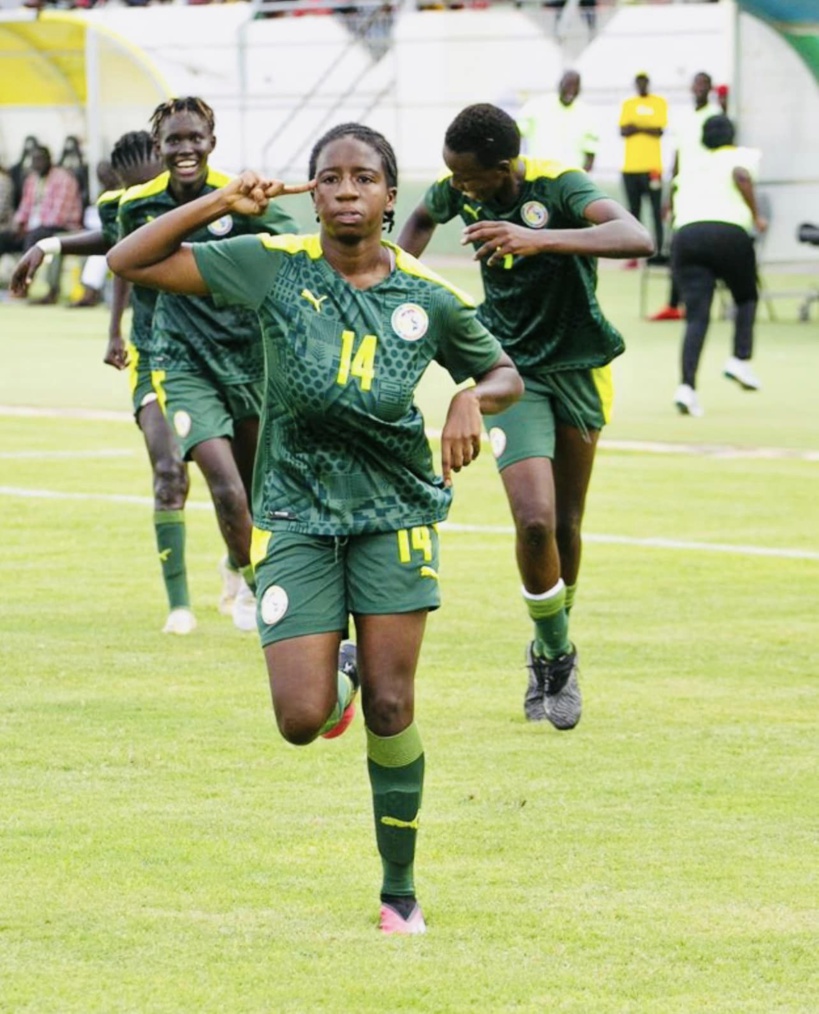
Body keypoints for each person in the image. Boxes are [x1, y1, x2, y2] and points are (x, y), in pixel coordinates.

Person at [107, 121, 523, 935]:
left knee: (393, 704)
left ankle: (398, 891)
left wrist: (473, 397)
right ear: (312, 193)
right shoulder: (273, 263)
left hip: (394, 511)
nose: (343, 191)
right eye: (328, 178)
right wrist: (221, 202)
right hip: (294, 514)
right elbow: (129, 261)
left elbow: (501, 368)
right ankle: (335, 667)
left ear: (388, 196)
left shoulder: (425, 295)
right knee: (300, 720)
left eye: (362, 178)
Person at [397, 103, 652, 728]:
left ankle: (547, 642)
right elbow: (422, 219)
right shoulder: (457, 187)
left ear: (504, 168)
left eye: (470, 180)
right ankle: (560, 658)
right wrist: (393, 280)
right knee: (534, 521)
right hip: (511, 372)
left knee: (566, 525)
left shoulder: (556, 185)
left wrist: (538, 238)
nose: (460, 189)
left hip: (579, 367)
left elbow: (638, 238)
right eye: (453, 177)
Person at [117, 96, 300, 631]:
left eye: (195, 138)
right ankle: (272, 606)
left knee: (255, 489)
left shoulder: (239, 195)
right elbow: (128, 271)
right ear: (159, 148)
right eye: (173, 140)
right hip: (182, 366)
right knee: (222, 483)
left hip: (247, 363)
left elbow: (295, 241)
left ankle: (238, 568)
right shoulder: (138, 207)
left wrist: (273, 206)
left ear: (211, 143)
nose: (185, 148)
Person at [10, 131, 199, 634]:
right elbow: (120, 262)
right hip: (153, 354)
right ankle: (179, 604)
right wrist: (114, 329)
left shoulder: (198, 203)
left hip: (213, 359)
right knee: (169, 471)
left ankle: (239, 571)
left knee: (235, 485)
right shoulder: (125, 208)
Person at [672, 114, 766, 418]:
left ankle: (687, 388)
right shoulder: (743, 155)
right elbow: (741, 175)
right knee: (746, 296)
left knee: (697, 317)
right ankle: (740, 358)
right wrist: (756, 215)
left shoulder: (693, 164)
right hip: (728, 233)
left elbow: (672, 197)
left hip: (686, 235)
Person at [650, 71, 722, 322]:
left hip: (708, 192)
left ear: (710, 88)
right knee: (677, 247)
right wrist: (669, 196)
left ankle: (698, 302)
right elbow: (677, 159)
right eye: (696, 83)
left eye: (704, 84)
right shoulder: (684, 119)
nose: (699, 88)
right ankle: (673, 304)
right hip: (685, 191)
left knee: (705, 248)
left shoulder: (715, 117)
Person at [0, 144, 83, 304]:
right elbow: (25, 208)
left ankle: (22, 288)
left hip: (62, 226)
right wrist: (19, 224)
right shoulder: (32, 180)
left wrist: (30, 229)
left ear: (49, 160)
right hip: (34, 229)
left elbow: (59, 215)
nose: (36, 164)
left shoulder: (63, 178)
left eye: (40, 160)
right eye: (34, 160)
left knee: (34, 236)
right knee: (3, 238)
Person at [619, 71, 667, 267]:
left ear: (648, 83)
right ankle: (633, 256)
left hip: (652, 168)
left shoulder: (659, 103)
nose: (641, 86)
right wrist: (646, 127)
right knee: (633, 212)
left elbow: (659, 130)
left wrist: (636, 126)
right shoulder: (628, 104)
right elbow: (623, 130)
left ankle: (659, 252)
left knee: (656, 212)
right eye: (638, 83)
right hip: (630, 167)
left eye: (644, 82)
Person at [518, 69, 599, 173]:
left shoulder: (587, 113)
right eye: (568, 85)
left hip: (571, 177)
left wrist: (583, 175)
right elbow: (517, 133)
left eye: (575, 86)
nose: (571, 90)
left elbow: (591, 150)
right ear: (560, 85)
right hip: (539, 175)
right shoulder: (537, 106)